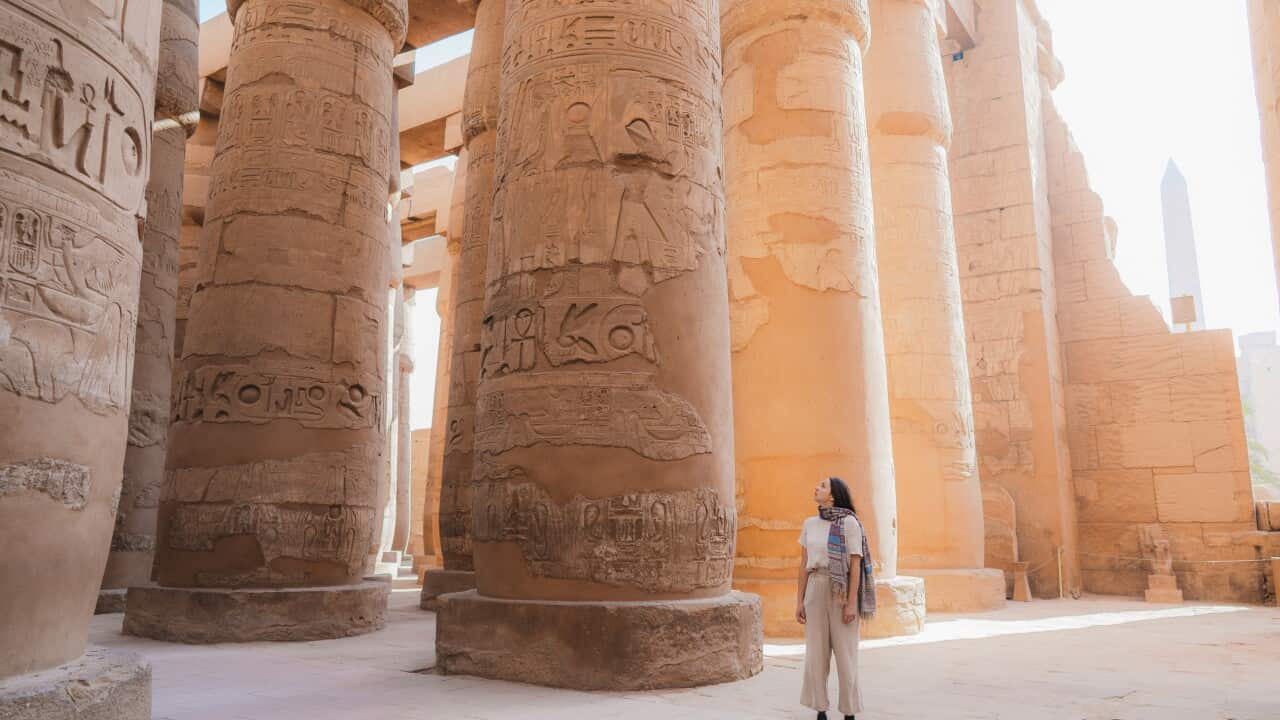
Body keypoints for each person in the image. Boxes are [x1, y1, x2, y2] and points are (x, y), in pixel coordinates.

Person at [797, 476, 868, 720]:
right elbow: (804, 564)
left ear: (833, 495)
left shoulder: (849, 523)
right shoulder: (809, 524)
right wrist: (799, 601)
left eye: (822, 485)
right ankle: (820, 709)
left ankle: (849, 712)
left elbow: (856, 565)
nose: (816, 487)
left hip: (841, 591)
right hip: (815, 588)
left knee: (846, 654)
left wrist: (851, 603)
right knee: (816, 653)